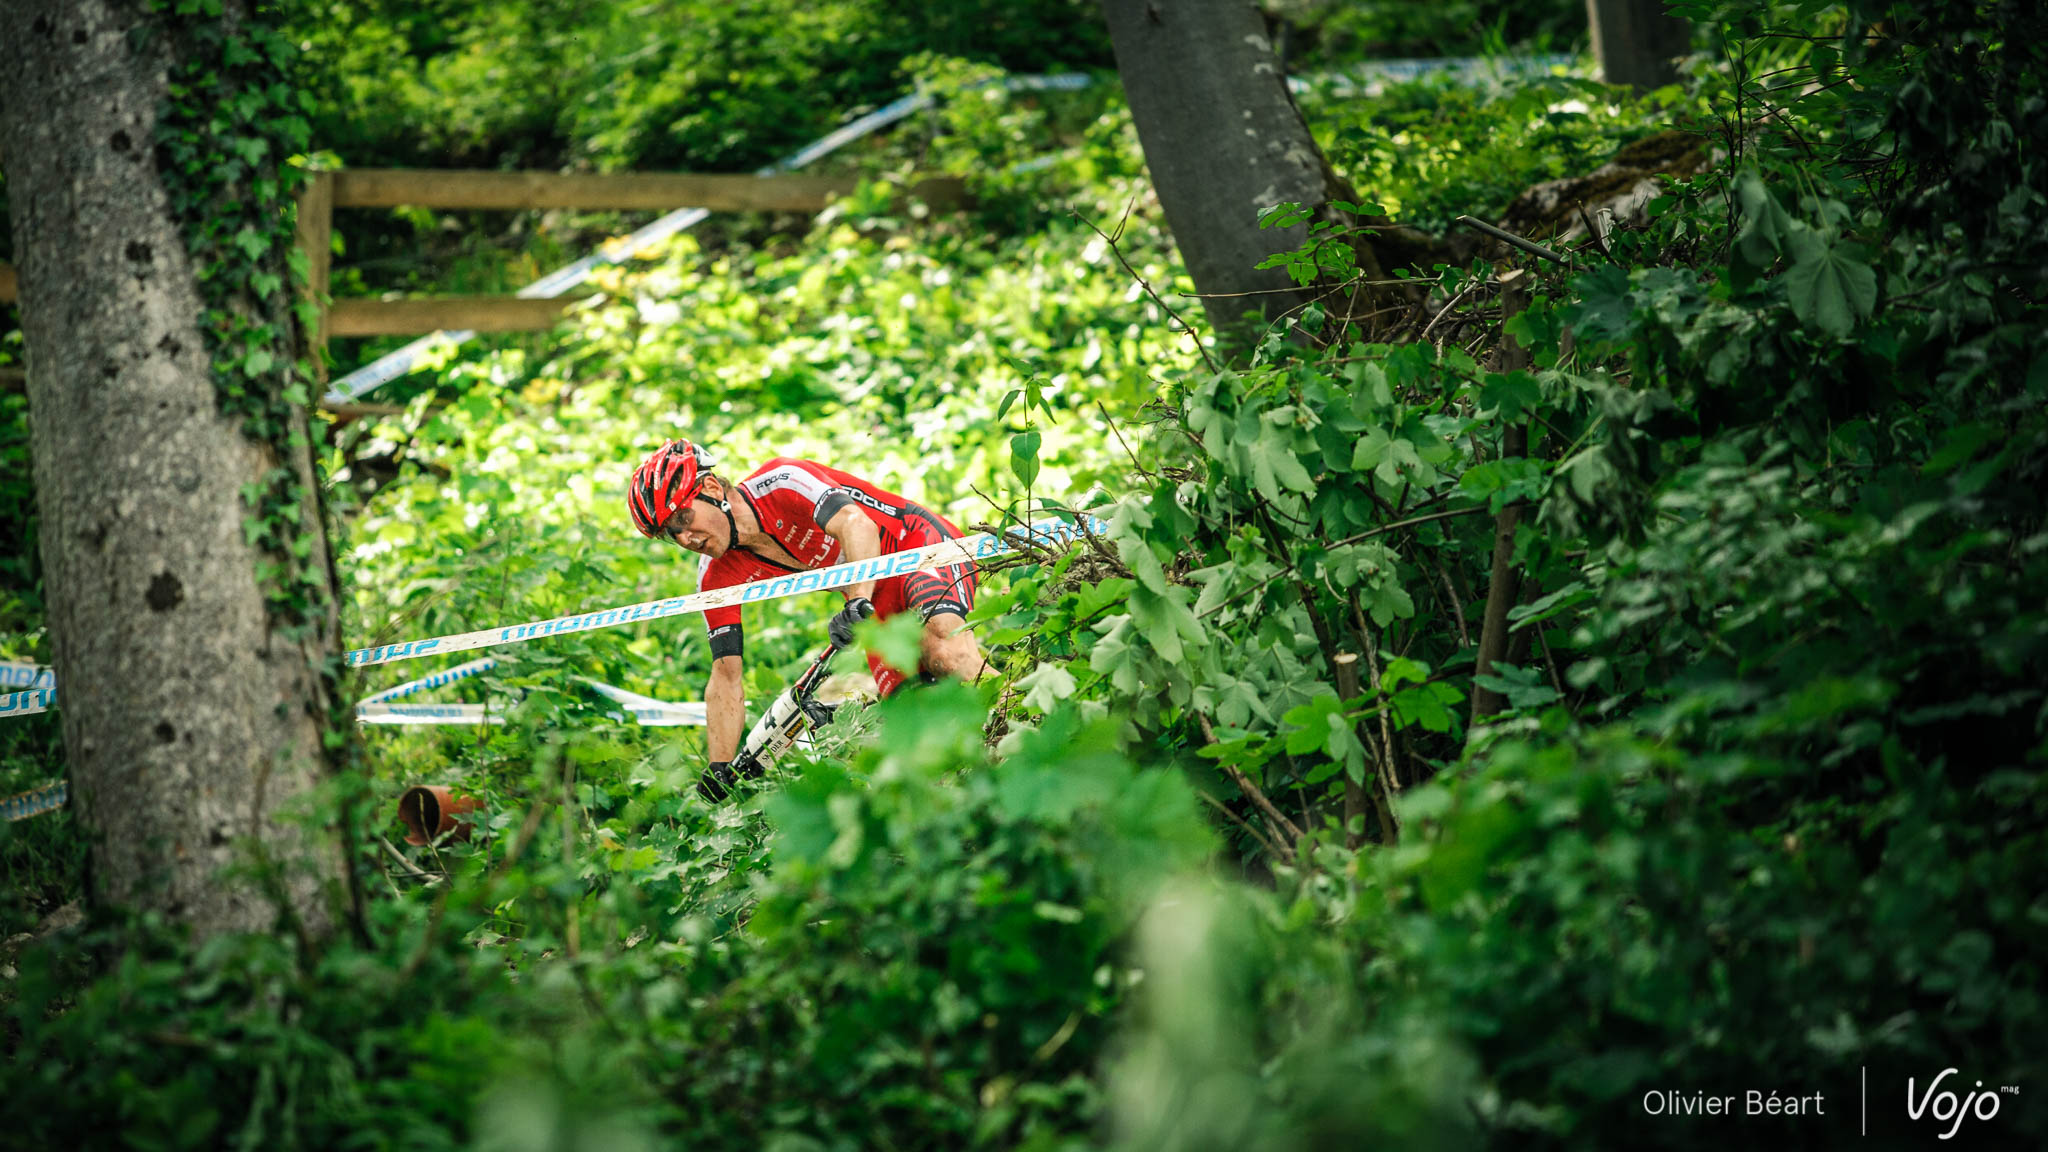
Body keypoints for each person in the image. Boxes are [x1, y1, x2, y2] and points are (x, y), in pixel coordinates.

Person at [627, 439, 984, 799]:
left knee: (944, 653)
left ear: (711, 487)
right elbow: (725, 674)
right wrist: (721, 764)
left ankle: (1027, 719)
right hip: (873, 597)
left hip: (917, 546)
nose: (686, 537)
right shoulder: (715, 576)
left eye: (683, 518)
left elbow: (856, 524)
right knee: (914, 732)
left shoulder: (781, 480)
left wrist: (857, 600)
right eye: (672, 534)